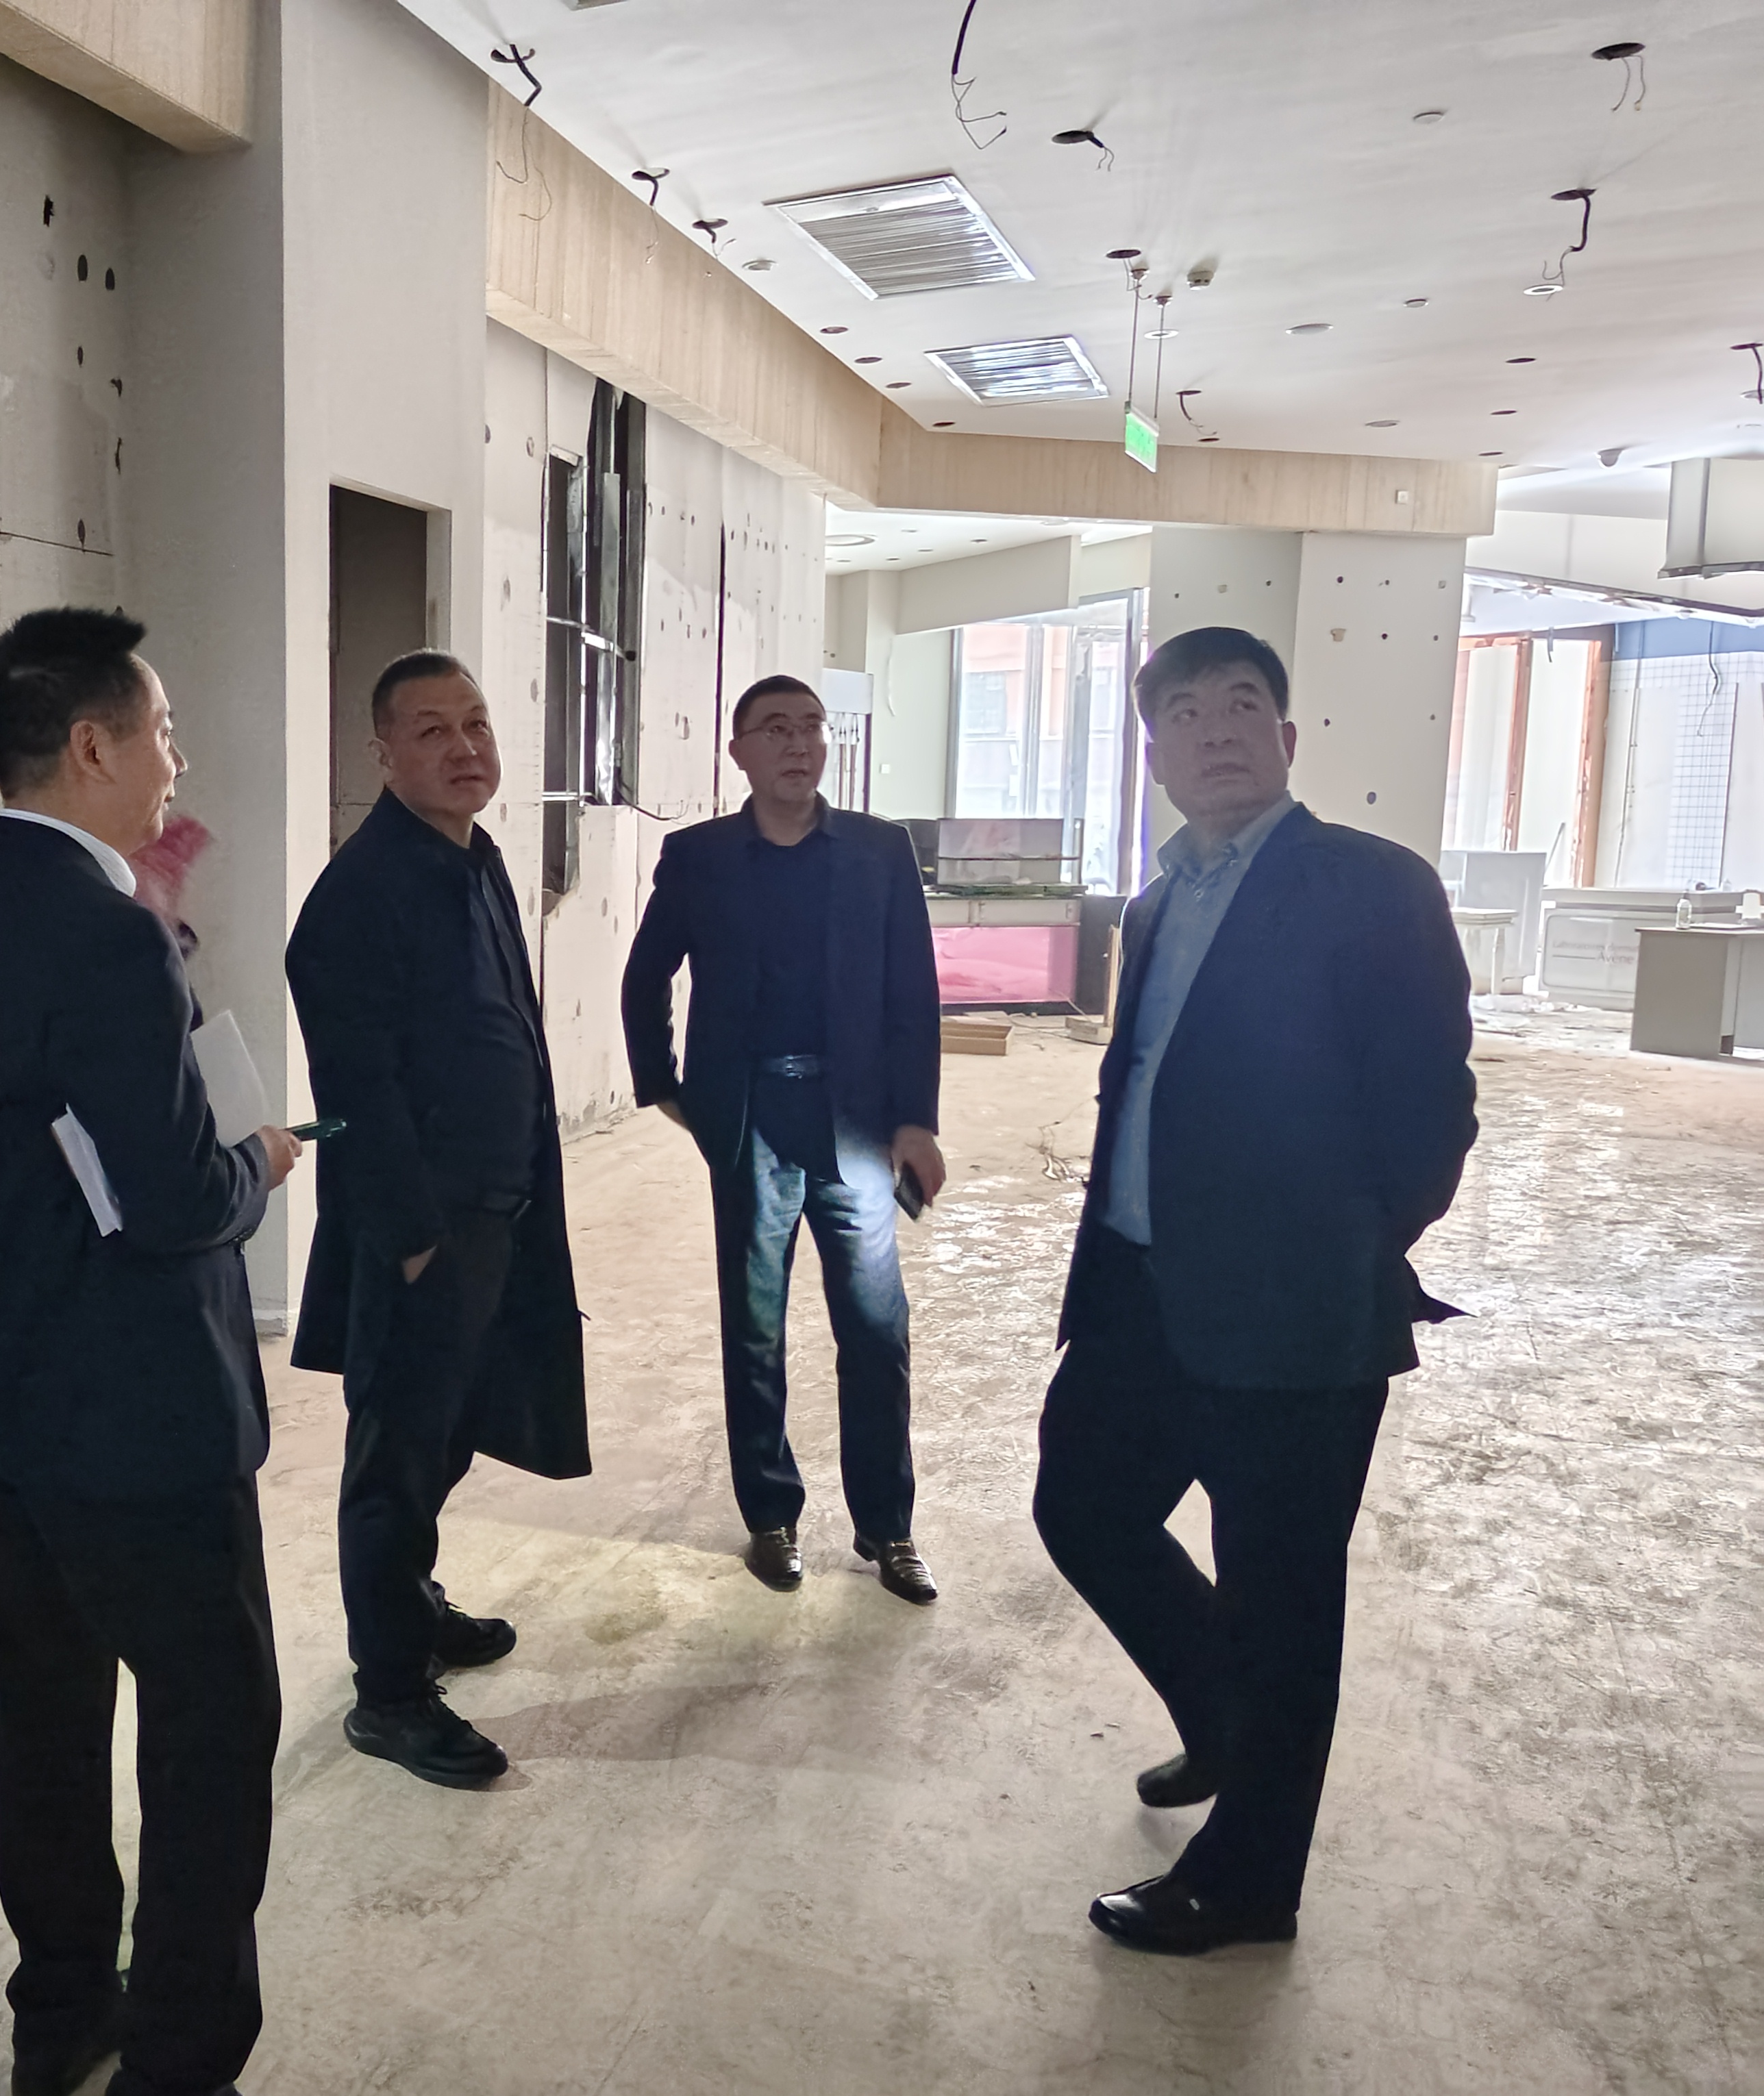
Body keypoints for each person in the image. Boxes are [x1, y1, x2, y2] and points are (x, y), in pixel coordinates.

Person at [0, 608, 301, 2096]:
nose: (175, 761)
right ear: (90, 745)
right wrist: (259, 1160)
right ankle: (182, 2059)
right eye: (162, 731)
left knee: (53, 1720)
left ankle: (61, 2012)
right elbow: (174, 1197)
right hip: (145, 1412)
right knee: (211, 1733)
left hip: (15, 1387)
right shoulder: (108, 932)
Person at [1034, 625, 1476, 1956]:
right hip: (1140, 1288)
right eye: (1184, 712)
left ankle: (1248, 1883)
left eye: (1241, 706)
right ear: (1154, 753)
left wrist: (1343, 1248)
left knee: (1283, 1598)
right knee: (1083, 1506)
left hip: (1298, 1318)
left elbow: (1432, 1115)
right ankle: (1224, 1717)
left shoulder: (1373, 886)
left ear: (1285, 739)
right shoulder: (1155, 902)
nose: (1215, 729)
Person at [286, 651, 589, 1791]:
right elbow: (355, 1090)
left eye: (476, 724)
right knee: (398, 1457)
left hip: (499, 1211)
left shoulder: (475, 859)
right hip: (425, 1233)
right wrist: (414, 1241)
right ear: (382, 754)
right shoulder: (360, 895)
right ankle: (390, 1695)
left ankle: (409, 1605)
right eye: (431, 731)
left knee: (451, 1432)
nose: (465, 748)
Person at [621, 675, 945, 1604]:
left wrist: (916, 1119)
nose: (799, 744)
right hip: (751, 1118)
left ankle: (888, 1527)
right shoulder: (700, 857)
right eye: (775, 729)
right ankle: (771, 1514)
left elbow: (914, 991)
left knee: (876, 1331)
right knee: (755, 1328)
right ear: (740, 753)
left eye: (812, 727)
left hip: (857, 1124)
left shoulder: (880, 851)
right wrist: (666, 1089)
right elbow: (646, 977)